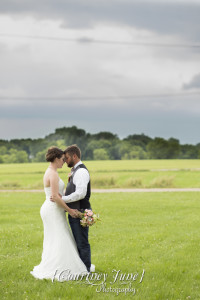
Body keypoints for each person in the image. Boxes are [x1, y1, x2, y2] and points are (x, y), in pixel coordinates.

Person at [30, 147, 87, 281]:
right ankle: (59, 268)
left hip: (52, 209)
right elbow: (55, 197)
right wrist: (70, 210)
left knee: (56, 237)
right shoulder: (53, 174)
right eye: (62, 159)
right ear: (56, 159)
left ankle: (62, 265)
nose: (64, 162)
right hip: (52, 210)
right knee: (59, 237)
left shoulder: (51, 172)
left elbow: (57, 194)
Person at [51, 144, 94, 273]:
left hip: (79, 212)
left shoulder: (81, 171)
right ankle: (81, 268)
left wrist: (62, 199)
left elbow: (81, 193)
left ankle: (85, 270)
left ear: (74, 156)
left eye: (67, 158)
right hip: (75, 211)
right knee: (78, 241)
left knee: (82, 242)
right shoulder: (76, 170)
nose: (65, 161)